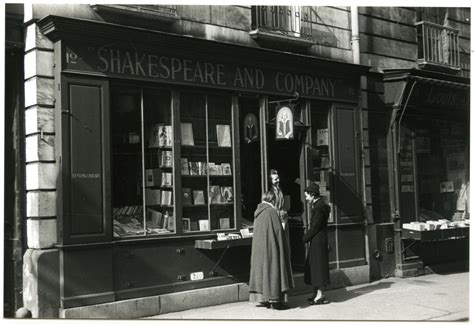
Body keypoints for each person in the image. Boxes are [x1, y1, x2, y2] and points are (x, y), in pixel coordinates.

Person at [249, 191, 294, 310]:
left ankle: (264, 299)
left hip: (260, 250)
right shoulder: (272, 212)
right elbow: (278, 231)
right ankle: (275, 300)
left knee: (263, 273)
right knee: (274, 270)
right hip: (271, 248)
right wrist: (284, 224)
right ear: (273, 200)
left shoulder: (258, 212)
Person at [303, 183, 331, 305]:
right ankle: (316, 293)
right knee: (315, 267)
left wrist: (304, 239)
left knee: (318, 267)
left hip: (318, 240)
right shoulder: (318, 205)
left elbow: (315, 227)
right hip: (317, 239)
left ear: (312, 195)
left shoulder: (318, 207)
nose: (306, 198)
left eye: (307, 196)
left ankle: (320, 295)